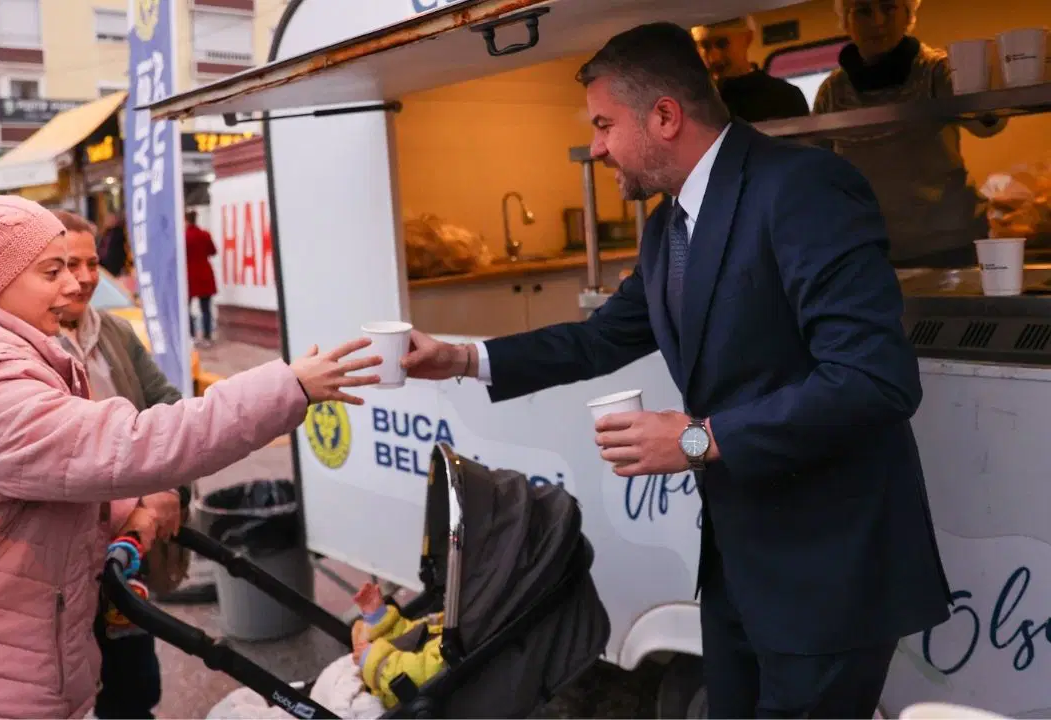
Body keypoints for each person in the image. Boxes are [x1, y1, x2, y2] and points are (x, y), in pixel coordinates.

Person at [401, 22, 950, 718]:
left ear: (665, 116)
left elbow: (876, 379)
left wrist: (696, 438)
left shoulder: (804, 189)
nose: (596, 146)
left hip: (828, 578)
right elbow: (599, 341)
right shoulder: (668, 227)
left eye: (604, 124)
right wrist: (461, 357)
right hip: (736, 575)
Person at [0, 195, 381, 719]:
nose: (75, 285)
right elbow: (135, 443)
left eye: (79, 267)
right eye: (52, 272)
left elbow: (38, 483)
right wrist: (287, 387)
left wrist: (125, 514)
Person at [50, 210, 188, 719]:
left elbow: (168, 409)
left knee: (133, 688)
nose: (85, 277)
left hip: (126, 552)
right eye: (66, 264)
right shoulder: (21, 347)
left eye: (92, 262)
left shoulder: (113, 333)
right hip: (60, 563)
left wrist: (167, 486)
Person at [813, 0, 1004, 267]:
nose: (878, 21)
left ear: (908, 16)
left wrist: (989, 87)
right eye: (864, 11)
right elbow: (817, 168)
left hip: (948, 245)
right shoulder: (832, 91)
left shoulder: (936, 70)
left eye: (889, 7)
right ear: (846, 22)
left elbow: (988, 124)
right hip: (869, 248)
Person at [692, 16, 811, 122]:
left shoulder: (785, 97)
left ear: (747, 38)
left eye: (722, 44)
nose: (714, 58)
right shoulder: (696, 103)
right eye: (705, 46)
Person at [350, 583, 443, 710]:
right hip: (380, 681)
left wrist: (379, 663)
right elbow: (412, 640)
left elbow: (430, 672)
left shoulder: (467, 626)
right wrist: (380, 620)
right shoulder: (453, 617)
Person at [186, 210, 218, 347]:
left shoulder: (184, 236)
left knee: (185, 308)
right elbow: (213, 251)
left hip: (189, 275)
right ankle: (207, 336)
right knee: (206, 308)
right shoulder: (205, 234)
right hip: (204, 274)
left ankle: (191, 335)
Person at [98, 211, 130, 277]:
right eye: (106, 219)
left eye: (110, 219)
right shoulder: (104, 234)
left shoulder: (118, 233)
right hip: (103, 265)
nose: (107, 221)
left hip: (113, 265)